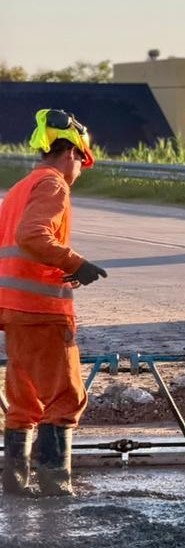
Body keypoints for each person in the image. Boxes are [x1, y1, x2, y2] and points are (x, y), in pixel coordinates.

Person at [1, 109, 107, 497]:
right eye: (82, 161)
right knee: (65, 396)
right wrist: (76, 262)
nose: (80, 170)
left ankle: (14, 481)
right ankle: (55, 486)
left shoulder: (19, 187)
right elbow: (33, 235)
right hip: (41, 312)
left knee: (24, 398)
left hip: (13, 309)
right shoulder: (53, 184)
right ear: (71, 154)